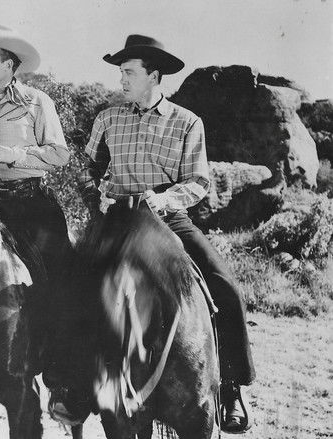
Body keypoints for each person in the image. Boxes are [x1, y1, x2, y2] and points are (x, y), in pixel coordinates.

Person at [80, 34, 255, 433]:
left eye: (129, 72)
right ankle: (72, 384)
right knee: (71, 282)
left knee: (226, 287)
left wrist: (162, 200)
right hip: (117, 222)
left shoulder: (187, 122)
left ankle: (230, 387)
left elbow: (198, 181)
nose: (121, 80)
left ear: (154, 76)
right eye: (121, 72)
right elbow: (90, 168)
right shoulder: (108, 119)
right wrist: (98, 193)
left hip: (168, 220)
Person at [0, 24, 72, 368]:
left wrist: (13, 155)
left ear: (8, 64)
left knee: (59, 279)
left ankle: (58, 363)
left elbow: (59, 154)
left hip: (29, 204)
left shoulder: (37, 102)